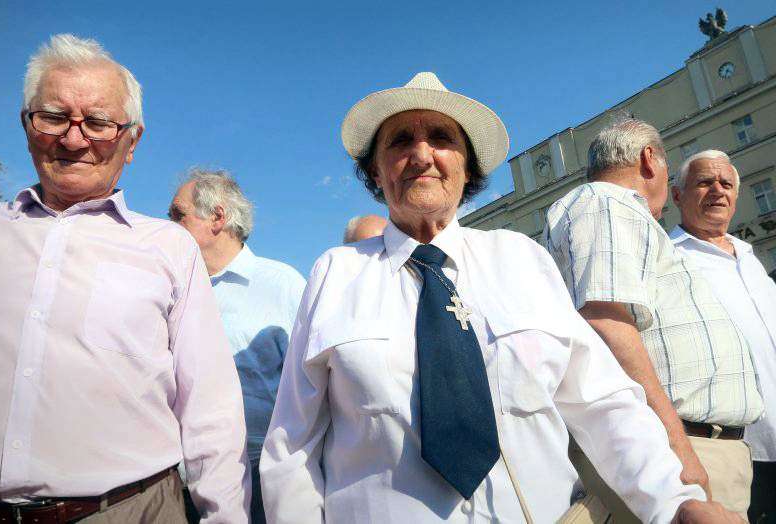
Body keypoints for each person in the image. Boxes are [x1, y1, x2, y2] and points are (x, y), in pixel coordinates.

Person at [260, 72, 734, 523]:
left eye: (442, 139)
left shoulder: (521, 259)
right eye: (400, 141)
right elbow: (292, 445)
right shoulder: (336, 273)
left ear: (467, 168)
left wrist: (675, 503)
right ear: (376, 171)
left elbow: (603, 402)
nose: (422, 155)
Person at [0, 35, 249, 523]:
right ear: (26, 125)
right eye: (53, 117)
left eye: (98, 123)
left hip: (132, 509)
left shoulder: (168, 247)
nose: (73, 139)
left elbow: (210, 407)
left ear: (132, 141)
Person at [544, 119, 763, 519]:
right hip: (680, 448)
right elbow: (606, 323)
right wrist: (679, 448)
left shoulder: (614, 209)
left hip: (701, 446)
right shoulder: (607, 202)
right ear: (649, 160)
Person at [170, 169, 306, 523]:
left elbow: (313, 386)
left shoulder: (282, 285)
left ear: (217, 217)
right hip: (176, 477)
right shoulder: (170, 287)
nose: (168, 225)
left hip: (259, 475)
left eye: (178, 215)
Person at [669, 150, 776, 523]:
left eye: (726, 183)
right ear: (677, 195)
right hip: (734, 451)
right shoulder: (669, 259)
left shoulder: (749, 257)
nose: (718, 190)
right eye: (704, 182)